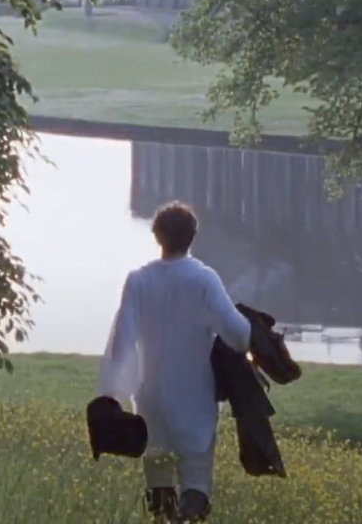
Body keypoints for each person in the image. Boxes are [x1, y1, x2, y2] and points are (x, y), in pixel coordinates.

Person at [96, 201, 252, 523]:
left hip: (150, 399)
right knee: (196, 481)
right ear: (193, 236)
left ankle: (165, 518)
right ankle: (189, 516)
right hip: (194, 400)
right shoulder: (204, 279)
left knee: (158, 482)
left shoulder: (138, 280)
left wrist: (112, 392)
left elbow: (122, 341)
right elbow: (238, 334)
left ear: (157, 235)